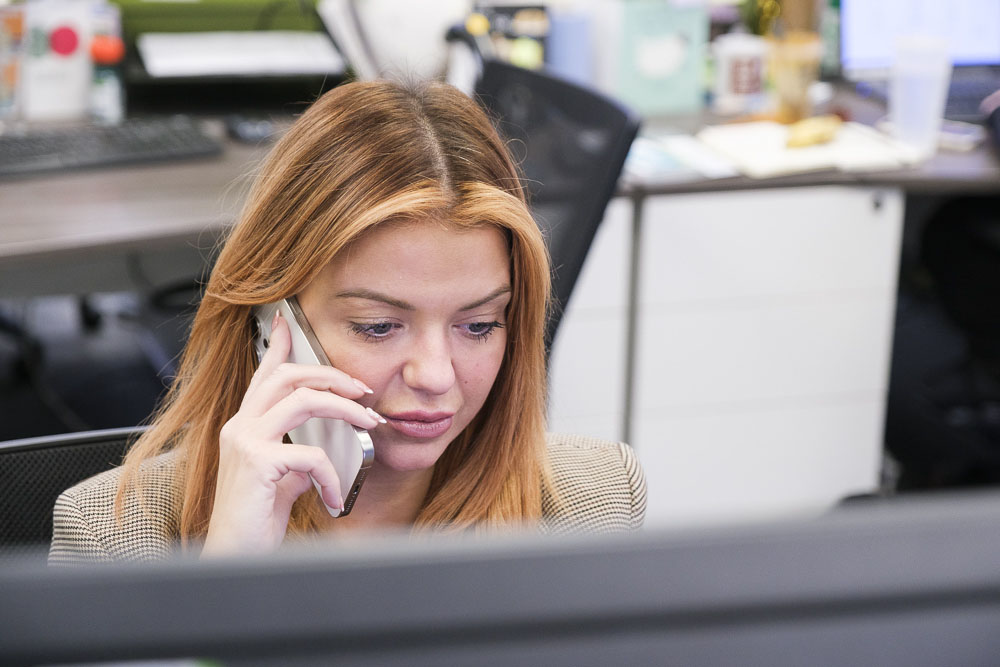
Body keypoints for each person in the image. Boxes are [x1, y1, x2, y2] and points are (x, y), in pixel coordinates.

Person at [49, 79, 646, 564]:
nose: (436, 376)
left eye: (480, 325)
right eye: (379, 327)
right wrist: (228, 586)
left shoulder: (595, 502)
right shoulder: (114, 538)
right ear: (269, 321)